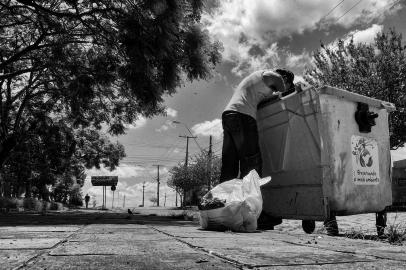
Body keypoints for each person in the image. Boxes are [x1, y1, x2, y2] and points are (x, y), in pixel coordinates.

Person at [220, 68, 295, 182]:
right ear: (285, 78)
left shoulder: (256, 84)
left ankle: (223, 199)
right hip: (243, 116)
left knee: (230, 164)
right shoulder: (270, 74)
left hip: (229, 115)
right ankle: (250, 198)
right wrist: (288, 89)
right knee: (251, 162)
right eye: (288, 83)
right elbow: (280, 83)